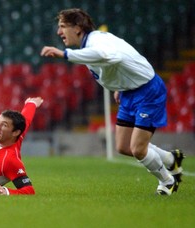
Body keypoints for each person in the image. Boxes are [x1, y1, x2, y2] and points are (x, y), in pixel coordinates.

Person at [41, 8, 185, 195]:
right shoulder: (88, 45)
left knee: (138, 149)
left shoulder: (97, 42)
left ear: (77, 28)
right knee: (123, 147)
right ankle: (170, 158)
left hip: (148, 92)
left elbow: (107, 56)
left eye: (62, 26)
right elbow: (111, 66)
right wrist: (117, 87)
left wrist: (65, 54)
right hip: (127, 92)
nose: (59, 32)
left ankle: (167, 181)